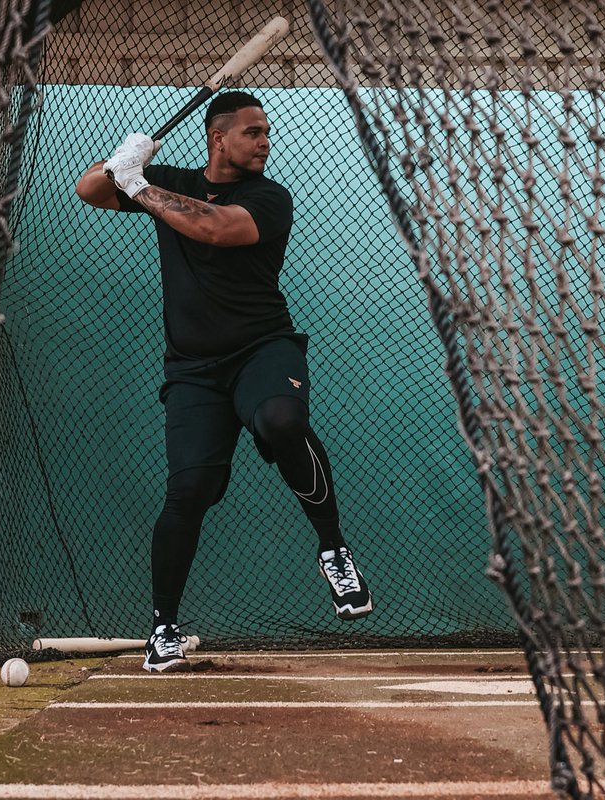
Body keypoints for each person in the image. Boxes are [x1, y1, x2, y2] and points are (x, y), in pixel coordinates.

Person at [75, 91, 373, 673]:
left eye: (266, 133)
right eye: (252, 132)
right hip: (193, 369)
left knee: (281, 420)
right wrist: (121, 161)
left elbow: (213, 227)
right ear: (218, 138)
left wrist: (136, 184)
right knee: (189, 490)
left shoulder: (269, 197)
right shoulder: (169, 181)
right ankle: (163, 629)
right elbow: (89, 190)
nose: (265, 142)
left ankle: (333, 548)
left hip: (262, 348)